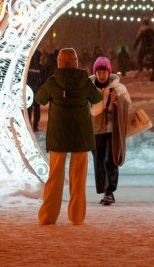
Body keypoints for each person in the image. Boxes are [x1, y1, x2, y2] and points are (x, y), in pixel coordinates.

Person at [34, 48, 103, 226]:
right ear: (76, 62)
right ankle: (77, 215)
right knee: (78, 177)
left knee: (55, 176)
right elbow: (96, 98)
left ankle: (48, 216)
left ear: (58, 63)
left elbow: (39, 99)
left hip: (58, 135)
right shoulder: (84, 81)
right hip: (81, 135)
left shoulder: (52, 82)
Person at [89, 56, 133, 206]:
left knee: (110, 159)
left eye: (104, 72)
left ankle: (109, 192)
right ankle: (104, 189)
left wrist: (117, 103)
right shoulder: (89, 88)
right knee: (98, 161)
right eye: (99, 72)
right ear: (95, 73)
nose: (101, 75)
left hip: (111, 130)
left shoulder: (118, 88)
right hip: (94, 131)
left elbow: (129, 107)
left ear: (109, 72)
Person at [26, 51, 47, 132]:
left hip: (29, 91)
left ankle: (29, 125)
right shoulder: (41, 68)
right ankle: (35, 126)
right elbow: (44, 79)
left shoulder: (28, 67)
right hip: (37, 91)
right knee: (37, 109)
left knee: (29, 109)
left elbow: (25, 79)